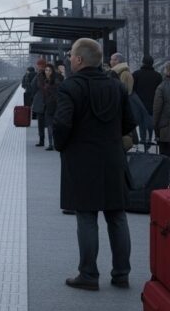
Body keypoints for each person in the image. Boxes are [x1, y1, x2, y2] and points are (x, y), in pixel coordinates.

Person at [52, 38, 135, 291]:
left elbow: (62, 123)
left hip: (81, 162)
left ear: (79, 59)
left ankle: (88, 274)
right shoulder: (116, 87)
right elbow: (129, 122)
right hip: (113, 159)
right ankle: (121, 274)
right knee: (117, 216)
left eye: (71, 56)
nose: (69, 59)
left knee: (87, 217)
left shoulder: (70, 87)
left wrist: (61, 145)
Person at [133, 55, 162, 150]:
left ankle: (143, 142)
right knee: (150, 124)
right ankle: (150, 141)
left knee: (141, 125)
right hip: (152, 106)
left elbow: (132, 90)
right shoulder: (157, 76)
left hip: (139, 105)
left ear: (143, 62)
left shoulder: (136, 74)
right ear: (152, 63)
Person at [41, 63, 63, 151]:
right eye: (46, 70)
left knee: (54, 126)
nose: (47, 72)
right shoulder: (45, 81)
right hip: (48, 106)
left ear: (52, 71)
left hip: (55, 106)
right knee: (50, 126)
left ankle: (55, 144)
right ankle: (51, 144)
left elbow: (58, 93)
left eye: (49, 70)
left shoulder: (55, 81)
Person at [154, 62, 170, 156]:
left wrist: (156, 127)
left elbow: (157, 109)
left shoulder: (162, 87)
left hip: (166, 130)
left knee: (165, 158)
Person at [32, 58, 47, 145]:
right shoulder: (49, 74)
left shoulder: (39, 75)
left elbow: (33, 86)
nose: (38, 67)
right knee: (49, 123)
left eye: (38, 66)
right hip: (46, 101)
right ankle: (50, 142)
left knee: (41, 123)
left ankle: (42, 141)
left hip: (41, 101)